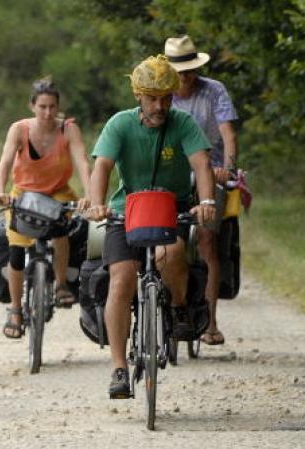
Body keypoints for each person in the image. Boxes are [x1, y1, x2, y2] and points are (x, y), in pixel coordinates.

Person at [86, 56, 217, 399]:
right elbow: (102, 167)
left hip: (170, 209)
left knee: (172, 253)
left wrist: (206, 202)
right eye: (152, 97)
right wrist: (97, 203)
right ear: (138, 97)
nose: (160, 105)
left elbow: (202, 164)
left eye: (166, 98)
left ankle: (176, 307)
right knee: (122, 278)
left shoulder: (183, 123)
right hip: (125, 210)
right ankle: (118, 368)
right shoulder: (120, 124)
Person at [0, 78, 91, 339]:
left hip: (57, 191)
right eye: (43, 106)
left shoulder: (68, 129)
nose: (48, 113)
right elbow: (4, 162)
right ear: (32, 106)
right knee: (16, 249)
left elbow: (82, 162)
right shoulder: (19, 129)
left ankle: (60, 285)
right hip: (23, 193)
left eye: (52, 107)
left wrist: (89, 196)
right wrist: (0, 190)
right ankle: (15, 308)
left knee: (61, 232)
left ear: (58, 107)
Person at [166, 35, 240, 346]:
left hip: (211, 171)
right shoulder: (160, 95)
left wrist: (230, 168)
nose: (186, 77)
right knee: (162, 236)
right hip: (174, 174)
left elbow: (227, 132)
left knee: (209, 239)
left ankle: (210, 321)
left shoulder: (214, 91)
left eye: (190, 70)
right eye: (180, 71)